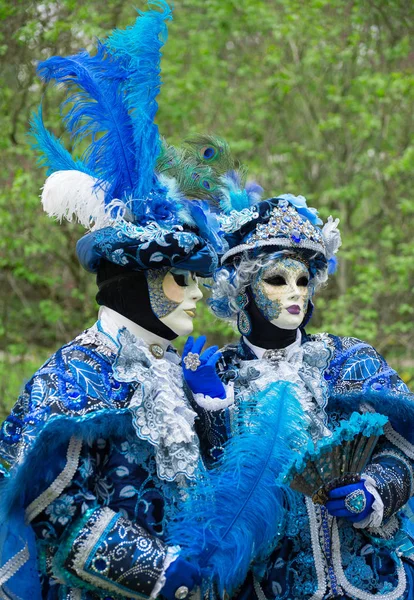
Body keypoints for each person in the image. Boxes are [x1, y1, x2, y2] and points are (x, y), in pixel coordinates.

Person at [0, 3, 235, 598]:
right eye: (184, 277)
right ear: (137, 282)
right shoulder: (73, 376)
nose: (199, 292)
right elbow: (48, 503)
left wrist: (214, 415)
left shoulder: (174, 375)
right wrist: (154, 570)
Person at [183, 189, 414, 599]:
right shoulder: (217, 374)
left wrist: (377, 489)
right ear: (241, 292)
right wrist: (212, 412)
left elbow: (405, 446)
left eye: (303, 279)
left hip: (369, 580)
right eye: (276, 279)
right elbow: (201, 491)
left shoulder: (349, 360)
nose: (296, 292)